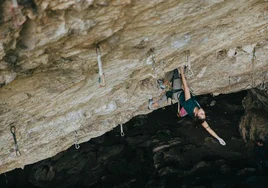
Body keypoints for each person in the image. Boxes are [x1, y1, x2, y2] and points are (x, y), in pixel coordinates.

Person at [149, 67, 226, 146]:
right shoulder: (198, 117)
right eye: (204, 114)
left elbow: (185, 87)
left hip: (177, 93)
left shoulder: (190, 104)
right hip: (179, 97)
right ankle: (152, 105)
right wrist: (219, 138)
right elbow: (208, 128)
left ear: (196, 114)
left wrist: (182, 72)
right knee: (167, 95)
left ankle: (163, 85)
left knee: (175, 72)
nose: (203, 112)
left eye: (202, 114)